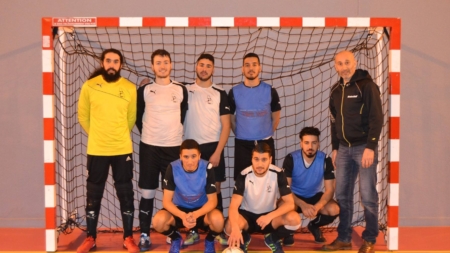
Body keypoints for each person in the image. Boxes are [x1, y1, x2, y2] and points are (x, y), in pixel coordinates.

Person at [77, 48, 139, 253]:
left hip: (122, 149)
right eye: (108, 61)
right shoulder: (89, 86)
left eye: (116, 61)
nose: (112, 65)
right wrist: (97, 134)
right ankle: (91, 237)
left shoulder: (129, 88)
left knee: (126, 194)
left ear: (121, 65)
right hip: (97, 149)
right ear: (103, 63)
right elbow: (83, 116)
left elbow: (131, 119)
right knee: (93, 194)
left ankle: (128, 237)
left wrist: (117, 135)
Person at [323, 50, 383, 253]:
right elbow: (334, 122)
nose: (344, 67)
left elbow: (377, 118)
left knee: (367, 196)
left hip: (363, 149)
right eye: (339, 63)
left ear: (355, 63)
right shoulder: (335, 91)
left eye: (347, 62)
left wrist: (370, 147)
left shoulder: (366, 86)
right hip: (343, 150)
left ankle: (370, 239)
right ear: (335, 67)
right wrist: (334, 148)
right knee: (343, 196)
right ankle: (344, 238)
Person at [135, 49, 188, 251]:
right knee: (147, 192)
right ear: (152, 66)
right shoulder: (144, 91)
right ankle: (145, 235)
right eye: (158, 62)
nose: (163, 66)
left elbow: (182, 116)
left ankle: (170, 232)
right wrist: (151, 134)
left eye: (166, 62)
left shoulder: (180, 90)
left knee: (172, 195)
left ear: (171, 64)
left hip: (173, 148)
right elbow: (138, 118)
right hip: (149, 148)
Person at [179, 53, 231, 245]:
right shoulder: (184, 90)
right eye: (201, 65)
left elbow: (226, 126)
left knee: (215, 188)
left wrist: (217, 152)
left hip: (213, 148)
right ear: (196, 67)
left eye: (208, 66)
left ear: (213, 69)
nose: (204, 69)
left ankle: (218, 231)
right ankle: (192, 231)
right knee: (192, 189)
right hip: (191, 148)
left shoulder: (220, 93)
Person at [225, 142, 301, 253]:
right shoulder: (243, 175)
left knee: (295, 219)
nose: (259, 164)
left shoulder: (278, 173)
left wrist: (269, 216)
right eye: (256, 159)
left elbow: (290, 203)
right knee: (229, 227)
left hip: (269, 217)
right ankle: (244, 238)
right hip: (247, 218)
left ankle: (273, 238)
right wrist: (235, 228)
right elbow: (233, 206)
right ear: (251, 159)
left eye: (264, 160)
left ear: (270, 160)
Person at [152, 139, 224, 253]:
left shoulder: (207, 167)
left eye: (193, 156)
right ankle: (176, 238)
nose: (190, 161)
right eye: (186, 157)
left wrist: (195, 214)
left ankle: (209, 241)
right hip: (179, 209)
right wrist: (183, 216)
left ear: (199, 156)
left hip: (201, 210)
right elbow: (166, 202)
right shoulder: (172, 168)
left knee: (219, 221)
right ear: (180, 156)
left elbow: (213, 201)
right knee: (158, 221)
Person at [282, 127, 339, 246]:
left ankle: (314, 226)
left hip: (314, 196)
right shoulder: (291, 159)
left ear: (318, 144)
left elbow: (329, 190)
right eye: (306, 142)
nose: (310, 146)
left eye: (314, 143)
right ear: (301, 143)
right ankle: (289, 232)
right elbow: (285, 188)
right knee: (282, 206)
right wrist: (303, 205)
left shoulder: (325, 160)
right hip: (294, 196)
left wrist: (317, 207)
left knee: (334, 209)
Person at [228, 53, 281, 179]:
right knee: (242, 182)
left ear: (260, 67)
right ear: (242, 68)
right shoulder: (234, 92)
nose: (251, 68)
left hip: (265, 143)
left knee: (268, 180)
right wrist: (244, 134)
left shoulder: (270, 91)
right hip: (243, 144)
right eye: (247, 65)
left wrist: (263, 134)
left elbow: (276, 118)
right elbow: (231, 119)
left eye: (254, 65)